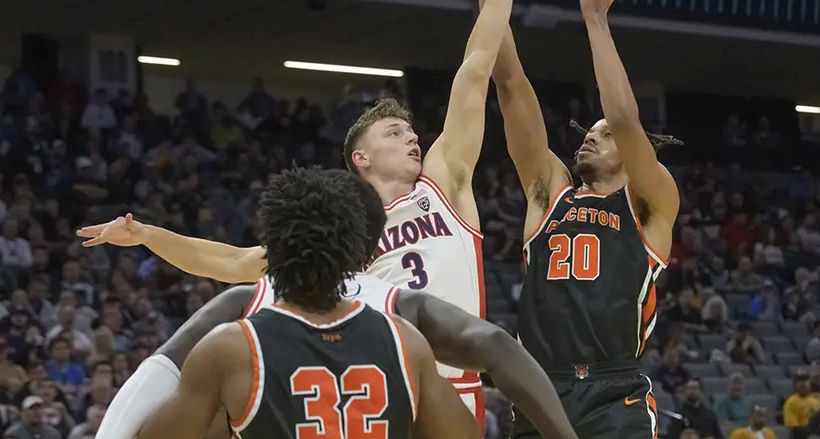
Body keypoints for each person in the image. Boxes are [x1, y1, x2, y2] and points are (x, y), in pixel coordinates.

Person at [79, 0, 527, 428]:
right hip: (381, 392)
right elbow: (234, 263)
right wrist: (150, 235)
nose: (412, 139)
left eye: (412, 132)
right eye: (395, 133)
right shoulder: (340, 231)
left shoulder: (444, 179)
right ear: (360, 158)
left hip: (455, 387)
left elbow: (475, 70)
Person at [95, 169, 577, 439]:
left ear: (273, 248)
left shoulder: (232, 337)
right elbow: (494, 345)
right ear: (367, 249)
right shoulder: (404, 338)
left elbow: (152, 388)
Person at [439, 0, 679, 439]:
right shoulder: (550, 193)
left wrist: (595, 19)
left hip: (615, 390)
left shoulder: (650, 201)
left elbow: (622, 114)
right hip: (539, 387)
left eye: (604, 136)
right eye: (588, 133)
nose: (592, 136)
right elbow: (510, 84)